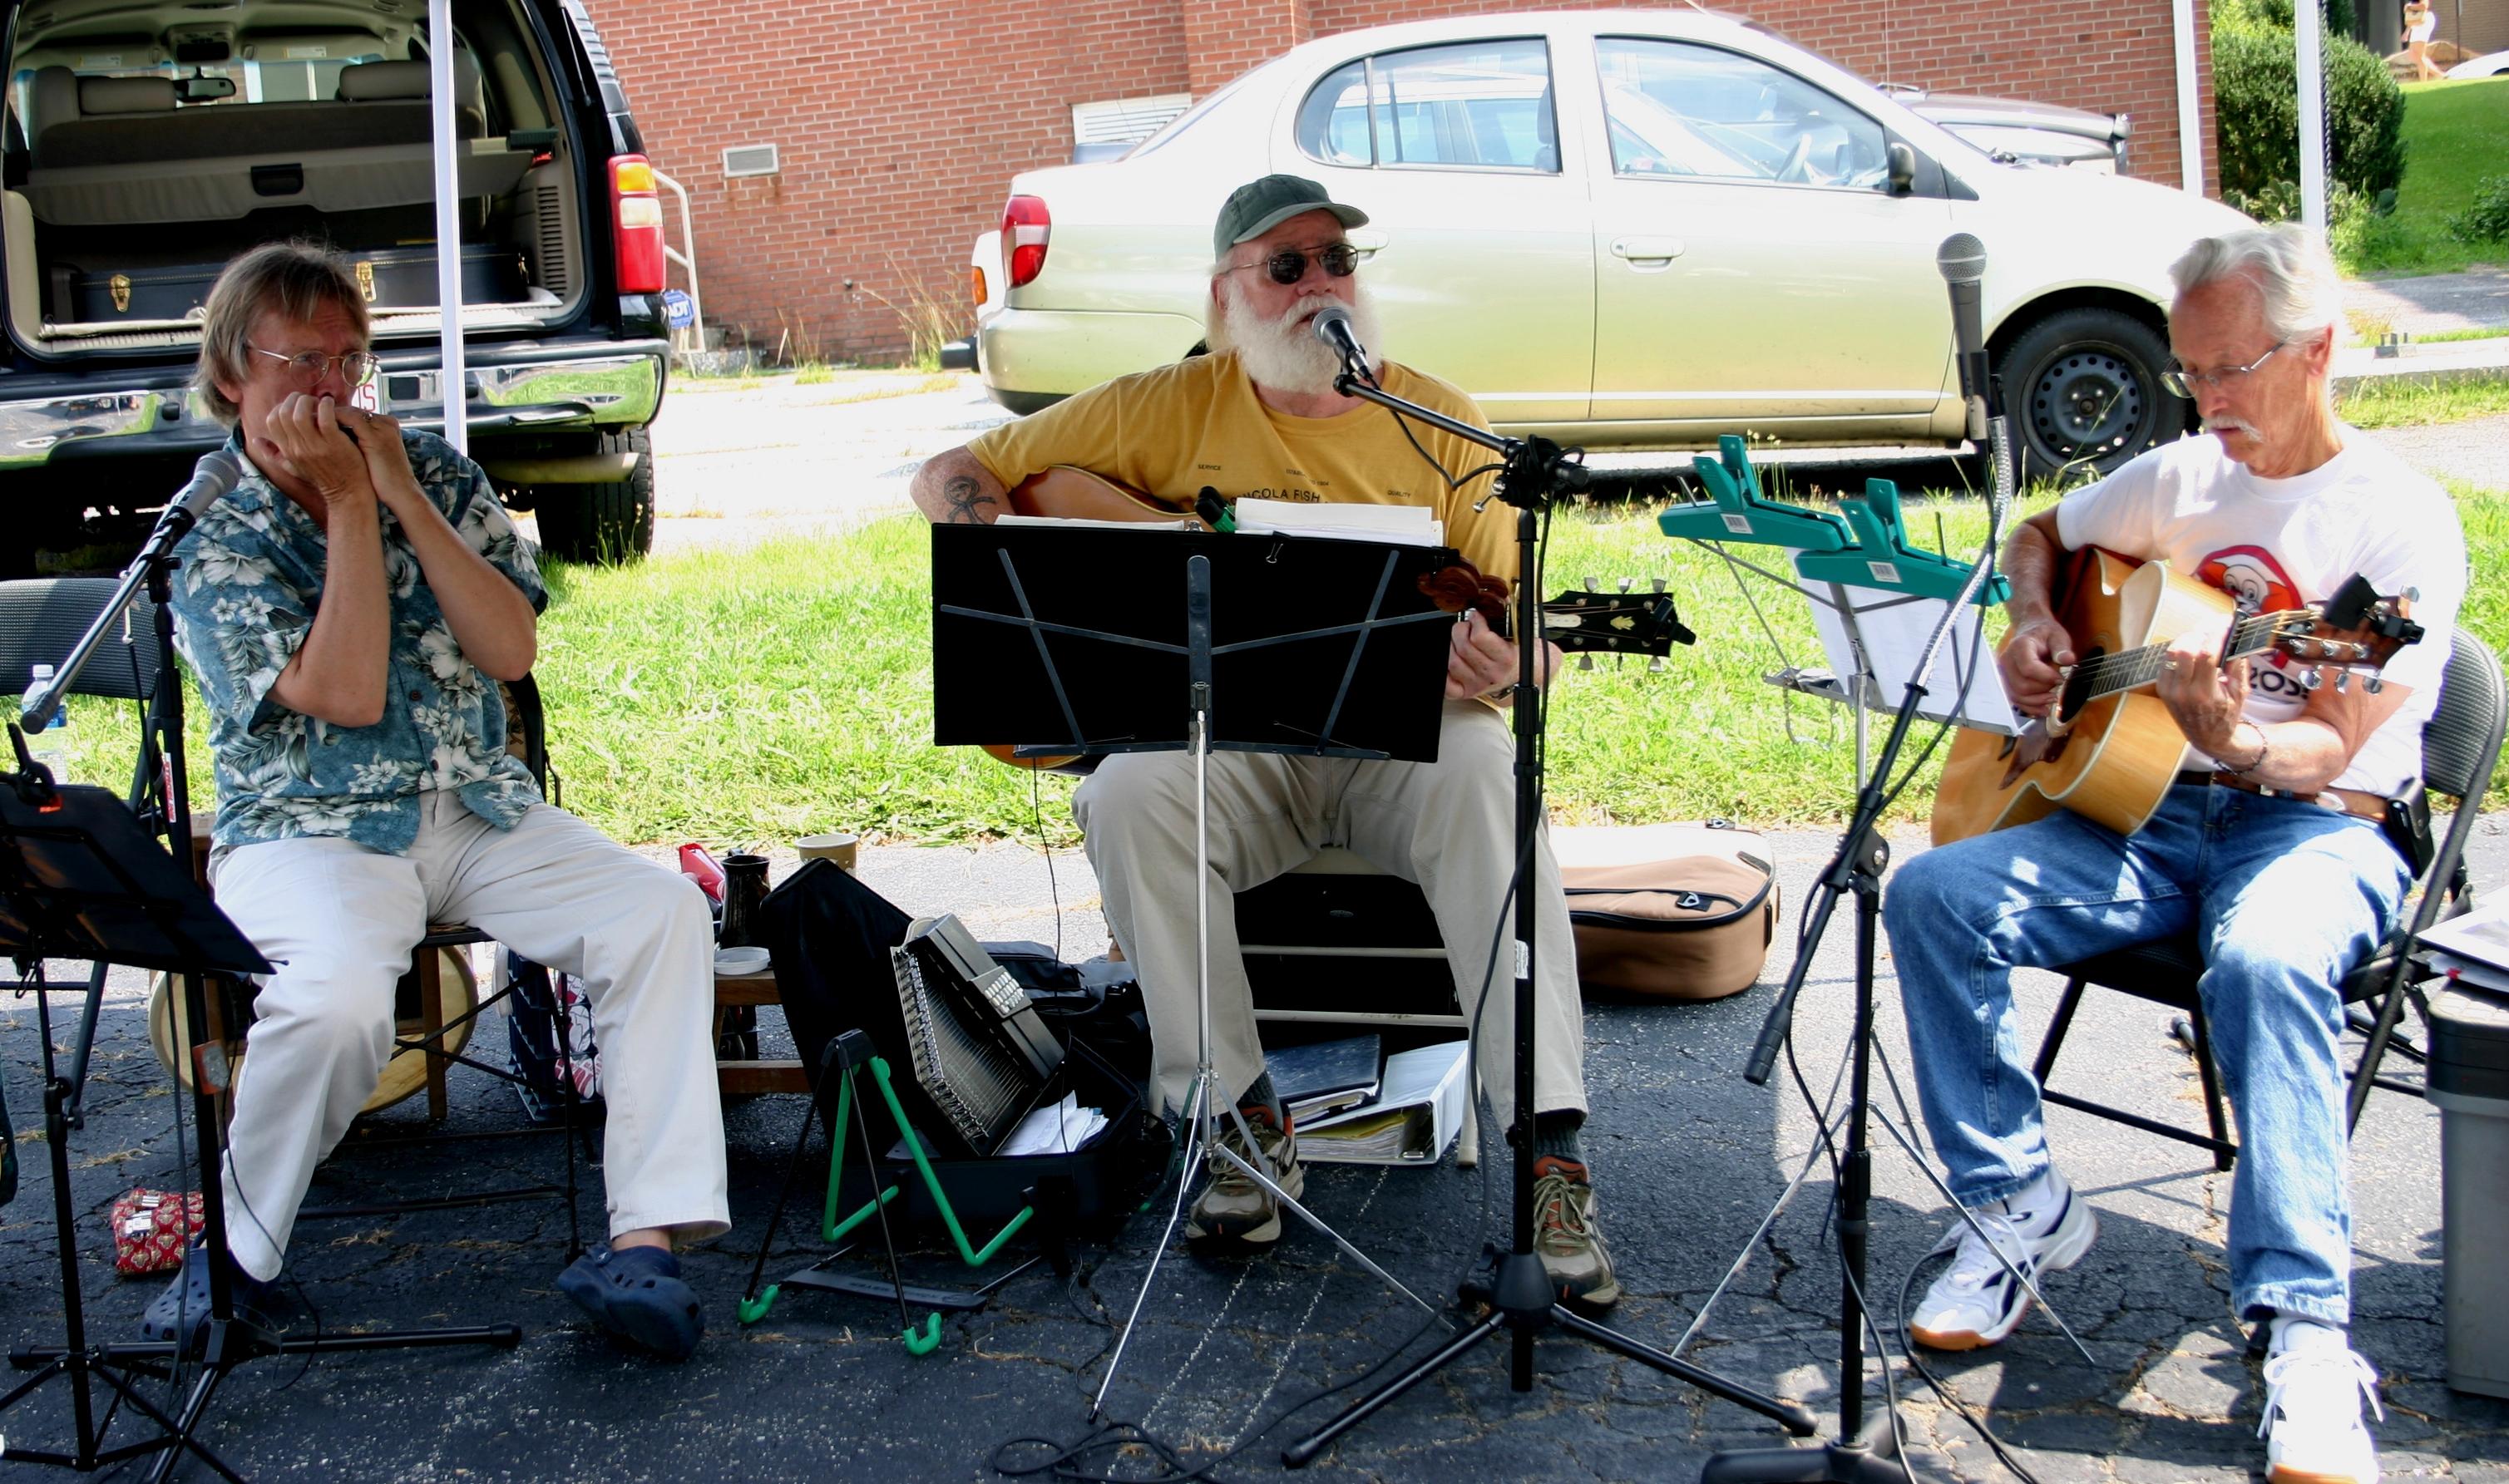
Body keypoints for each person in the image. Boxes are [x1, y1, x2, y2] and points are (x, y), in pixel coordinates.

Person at [909, 175, 1617, 1309]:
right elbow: (950, 475)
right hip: (1239, 747)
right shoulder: (1163, 407)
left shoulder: (1437, 420)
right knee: (1129, 792)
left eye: (1335, 261)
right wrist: (1010, 544)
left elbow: (1531, 633)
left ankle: (1550, 1155)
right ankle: (1237, 1127)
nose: (1317, 283)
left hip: (1412, 745)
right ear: (1225, 291)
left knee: (1496, 769)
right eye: (1284, 266)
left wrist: (1513, 659)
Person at [1884, 223, 2464, 1484]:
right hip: (2144, 816)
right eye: (2188, 372)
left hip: (2319, 827)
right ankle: (2017, 1202)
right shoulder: (2183, 476)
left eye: (2230, 370)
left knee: (2259, 961)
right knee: (1930, 893)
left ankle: (2304, 1330)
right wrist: (2039, 623)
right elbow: (2042, 531)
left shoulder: (2397, 520)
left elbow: (2331, 747)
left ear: (2317, 352)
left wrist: (2237, 743)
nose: (2205, 401)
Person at [151, 242, 729, 1361]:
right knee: (332, 1007)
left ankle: (644, 1244)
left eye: (350, 358)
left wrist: (400, 490)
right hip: (310, 833)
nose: (333, 386)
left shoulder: (436, 473)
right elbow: (347, 690)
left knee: (656, 916)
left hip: (474, 809)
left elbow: (508, 649)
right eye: (303, 360)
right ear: (233, 372)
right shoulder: (213, 533)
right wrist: (344, 508)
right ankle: (232, 1256)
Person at [2403, 2, 2442, 81]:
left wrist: (2409, 7)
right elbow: (2412, 14)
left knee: (2419, 55)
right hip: (2417, 22)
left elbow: (2424, 6)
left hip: (2424, 20)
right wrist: (2407, 32)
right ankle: (2440, 75)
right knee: (2413, 54)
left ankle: (2424, 81)